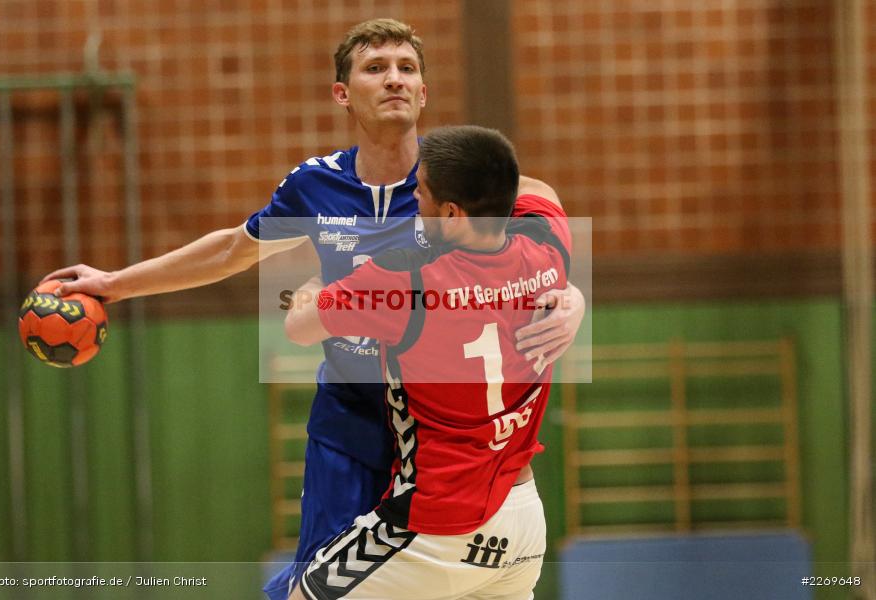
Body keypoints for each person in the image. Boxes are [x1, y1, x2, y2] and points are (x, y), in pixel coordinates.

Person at [39, 19, 583, 599]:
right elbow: (231, 248)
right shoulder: (314, 185)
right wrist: (115, 284)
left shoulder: (448, 177)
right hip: (353, 421)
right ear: (342, 94)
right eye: (376, 69)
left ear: (424, 92)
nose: (394, 80)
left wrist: (574, 297)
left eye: (407, 69)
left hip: (443, 437)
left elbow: (537, 203)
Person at [283, 125, 581, 600]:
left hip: (439, 525)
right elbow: (539, 191)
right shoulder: (548, 250)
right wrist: (576, 297)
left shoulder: (408, 279)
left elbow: (298, 326)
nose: (412, 200)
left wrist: (322, 279)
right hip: (522, 515)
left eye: (419, 192)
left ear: (450, 213)